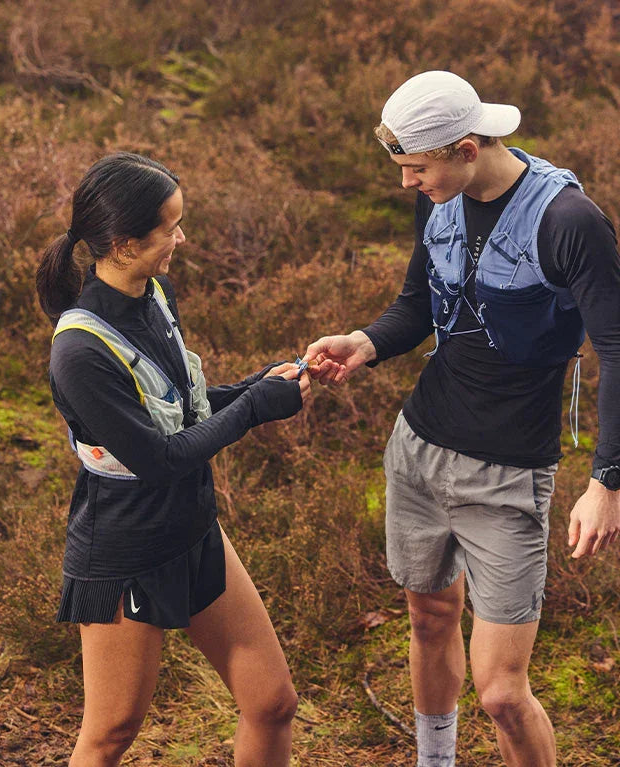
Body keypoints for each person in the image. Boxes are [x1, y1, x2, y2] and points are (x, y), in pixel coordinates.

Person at [304, 71, 620, 766]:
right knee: (428, 617)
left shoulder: (568, 222)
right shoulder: (440, 196)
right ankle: (434, 759)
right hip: (419, 450)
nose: (407, 183)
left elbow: (618, 346)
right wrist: (364, 342)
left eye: (417, 168)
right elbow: (418, 302)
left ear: (468, 147)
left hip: (508, 476)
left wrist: (608, 480)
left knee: (503, 692)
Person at [36, 152, 310, 767]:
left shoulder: (157, 293)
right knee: (110, 732)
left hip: (193, 529)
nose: (181, 238)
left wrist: (256, 385)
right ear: (124, 243)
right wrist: (257, 408)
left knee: (271, 703)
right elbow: (159, 458)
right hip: (126, 552)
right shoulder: (79, 353)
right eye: (171, 228)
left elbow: (182, 408)